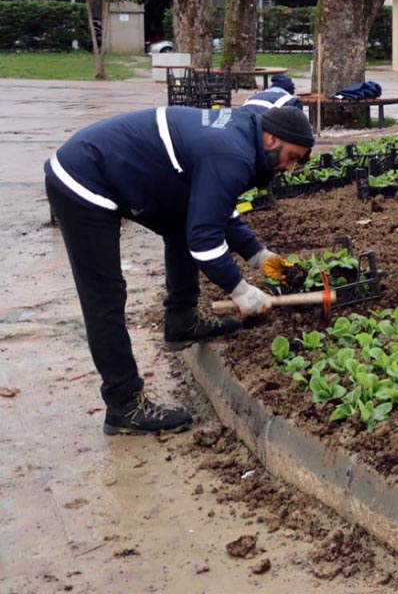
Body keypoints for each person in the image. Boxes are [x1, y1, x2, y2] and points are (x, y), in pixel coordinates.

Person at [44, 93, 315, 435]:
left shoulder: (244, 133)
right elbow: (205, 240)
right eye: (291, 158)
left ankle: (181, 323)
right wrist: (240, 289)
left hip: (132, 173)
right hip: (83, 179)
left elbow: (215, 209)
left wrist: (260, 256)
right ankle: (123, 404)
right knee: (105, 296)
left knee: (183, 221)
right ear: (272, 138)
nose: (289, 168)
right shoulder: (232, 154)